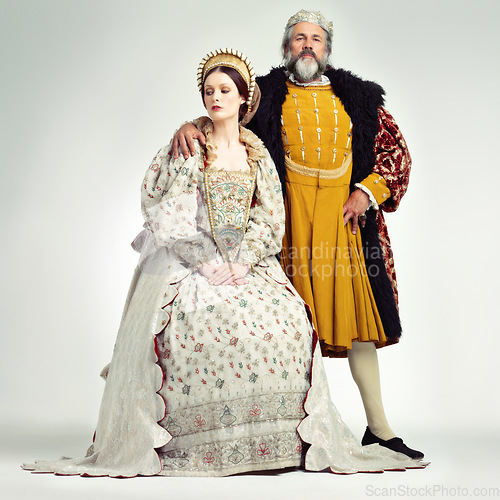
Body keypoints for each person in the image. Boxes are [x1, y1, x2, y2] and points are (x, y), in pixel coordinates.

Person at [23, 49, 425, 478]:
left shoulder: (273, 144)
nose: (216, 98)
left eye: (225, 90)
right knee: (199, 324)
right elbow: (167, 209)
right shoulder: (205, 136)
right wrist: (204, 257)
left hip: (281, 244)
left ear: (243, 98)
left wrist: (246, 259)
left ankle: (310, 437)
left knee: (301, 320)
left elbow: (271, 216)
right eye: (209, 91)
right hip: (194, 255)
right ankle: (197, 442)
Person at [171, 10, 424, 460]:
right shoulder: (265, 95)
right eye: (299, 39)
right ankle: (301, 430)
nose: (308, 45)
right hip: (287, 227)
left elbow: (396, 154)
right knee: (291, 328)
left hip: (342, 226)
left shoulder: (360, 99)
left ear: (327, 49)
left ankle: (379, 428)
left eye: (316, 39)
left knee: (359, 329)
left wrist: (366, 193)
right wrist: (191, 126)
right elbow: (225, 113)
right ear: (287, 47)